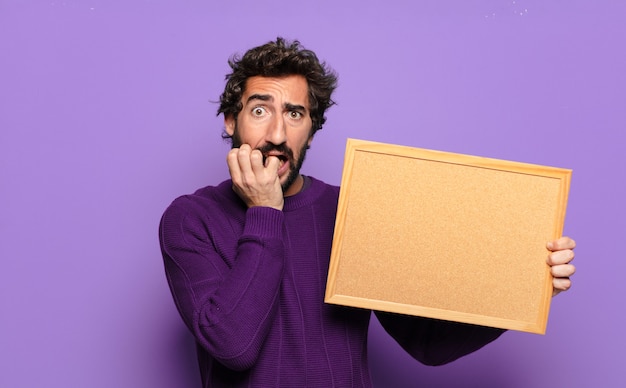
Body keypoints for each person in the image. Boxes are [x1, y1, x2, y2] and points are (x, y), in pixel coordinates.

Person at [159, 37, 576, 387]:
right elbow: (234, 346)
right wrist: (266, 210)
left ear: (311, 127)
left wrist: (524, 290)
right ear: (232, 121)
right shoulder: (189, 219)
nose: (277, 134)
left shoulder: (350, 209)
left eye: (295, 113)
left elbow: (426, 343)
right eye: (260, 110)